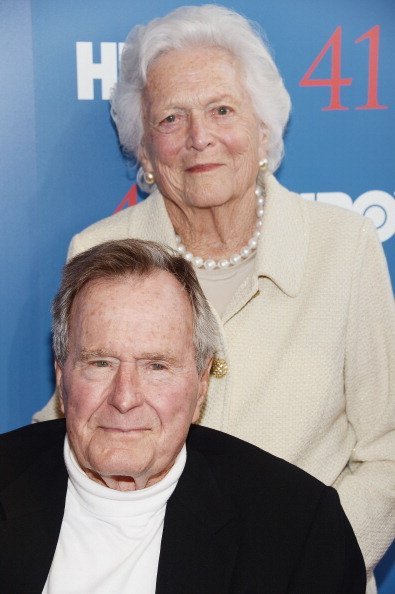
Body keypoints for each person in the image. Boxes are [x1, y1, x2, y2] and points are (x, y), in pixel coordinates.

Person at [33, 6, 395, 591]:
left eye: (222, 110)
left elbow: (390, 450)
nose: (199, 137)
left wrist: (302, 557)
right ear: (146, 153)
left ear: (263, 129)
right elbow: (69, 422)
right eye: (171, 117)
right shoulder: (98, 249)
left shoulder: (344, 247)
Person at [0, 239, 366, 593]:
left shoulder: (296, 529)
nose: (124, 398)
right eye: (100, 362)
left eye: (157, 366)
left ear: (202, 382)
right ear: (62, 376)